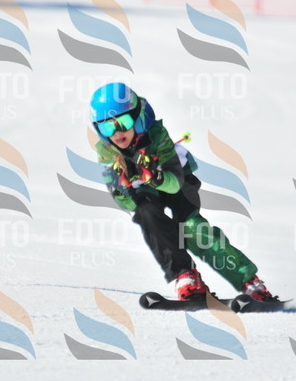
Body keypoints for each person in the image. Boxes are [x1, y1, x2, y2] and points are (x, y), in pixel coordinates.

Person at [90, 82, 277, 302]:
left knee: (191, 228)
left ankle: (249, 281)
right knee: (147, 215)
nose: (116, 133)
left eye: (123, 122)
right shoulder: (107, 153)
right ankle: (185, 275)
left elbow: (175, 183)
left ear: (137, 117)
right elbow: (126, 204)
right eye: (106, 128)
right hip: (146, 190)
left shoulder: (157, 135)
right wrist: (125, 186)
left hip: (177, 179)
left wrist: (155, 177)